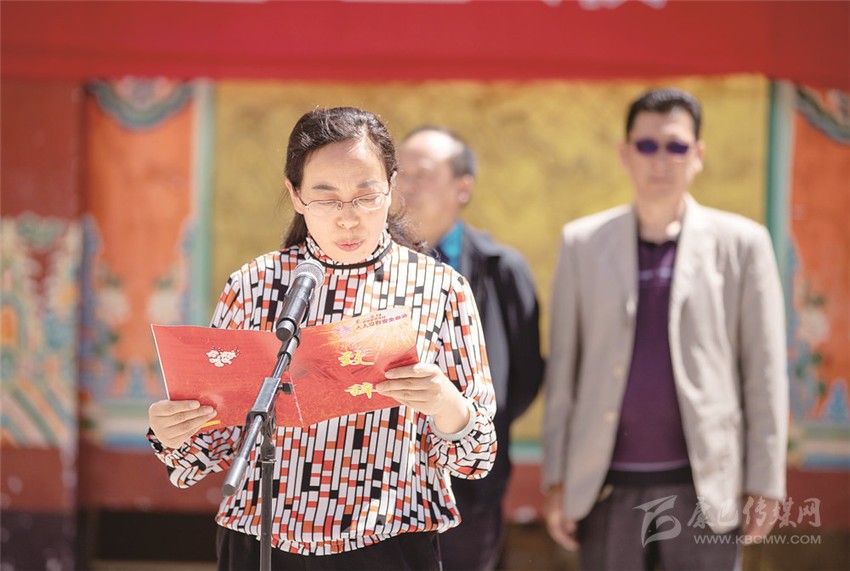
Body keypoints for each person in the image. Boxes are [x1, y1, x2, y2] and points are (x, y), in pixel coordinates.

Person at [147, 107, 497, 570]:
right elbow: (212, 446)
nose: (348, 219)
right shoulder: (254, 286)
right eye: (327, 199)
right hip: (262, 539)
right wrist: (172, 430)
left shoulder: (440, 289)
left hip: (388, 543)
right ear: (295, 195)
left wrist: (445, 403)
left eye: (366, 196)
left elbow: (477, 455)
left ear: (392, 186)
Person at [542, 88, 789, 570]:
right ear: (625, 153)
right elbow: (564, 375)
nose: (661, 160)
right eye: (647, 145)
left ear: (698, 155)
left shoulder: (743, 244)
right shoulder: (582, 244)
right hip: (605, 486)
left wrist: (765, 481)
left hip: (706, 487)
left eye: (676, 146)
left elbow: (764, 372)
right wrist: (556, 479)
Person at [397, 125, 545, 571]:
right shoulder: (365, 263)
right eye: (399, 173)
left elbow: (523, 377)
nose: (407, 186)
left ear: (463, 188)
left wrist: (468, 424)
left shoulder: (502, 269)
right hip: (381, 482)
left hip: (470, 485)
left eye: (423, 174)